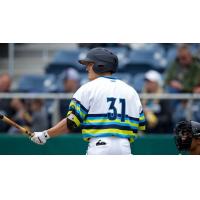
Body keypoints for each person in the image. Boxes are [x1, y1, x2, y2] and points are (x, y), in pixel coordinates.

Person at [30, 48, 146, 155]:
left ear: (100, 65)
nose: (86, 68)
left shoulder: (88, 88)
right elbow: (140, 125)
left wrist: (45, 135)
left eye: (90, 64)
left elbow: (71, 123)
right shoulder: (132, 91)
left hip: (99, 147)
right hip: (125, 148)